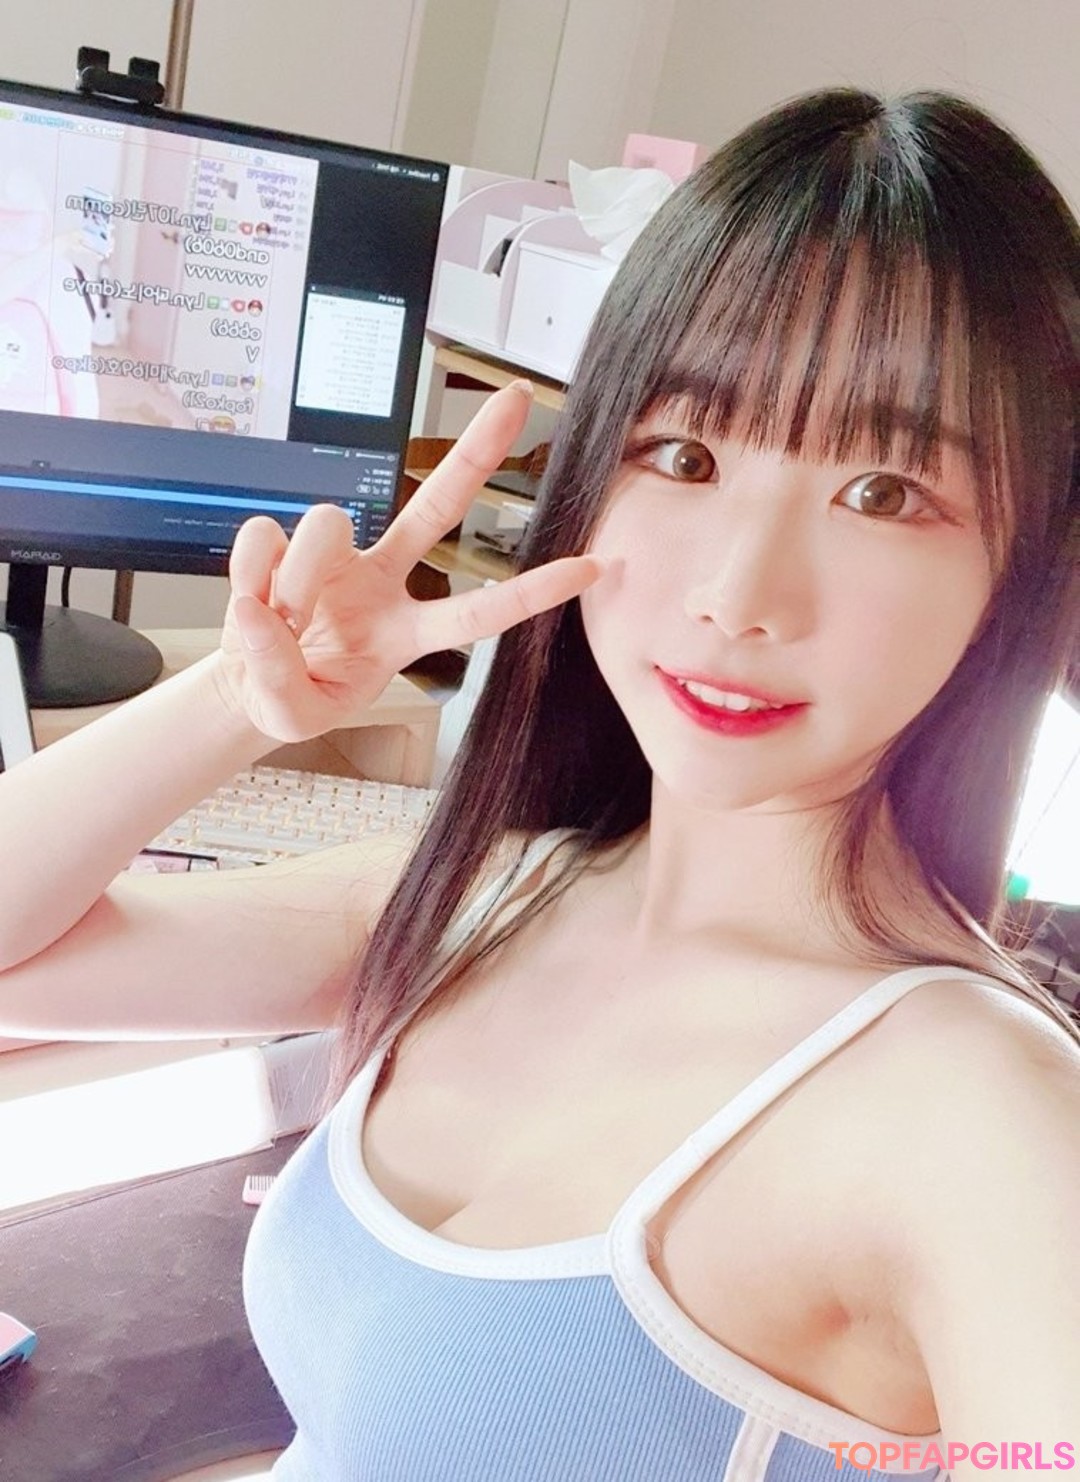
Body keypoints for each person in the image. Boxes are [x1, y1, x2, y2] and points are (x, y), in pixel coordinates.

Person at [1, 86, 1078, 1480]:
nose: (737, 594)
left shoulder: (980, 1114)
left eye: (884, 493)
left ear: (1022, 567)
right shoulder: (483, 894)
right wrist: (234, 701)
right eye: (684, 455)